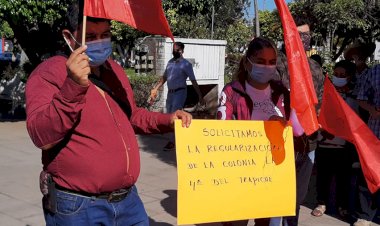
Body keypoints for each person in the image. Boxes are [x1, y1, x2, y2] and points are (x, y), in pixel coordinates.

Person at [25, 1, 192, 225]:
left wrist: (168, 120)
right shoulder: (48, 73)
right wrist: (73, 85)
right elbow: (41, 136)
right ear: (69, 37)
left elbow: (132, 116)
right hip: (78, 207)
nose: (100, 42)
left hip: (129, 202)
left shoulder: (115, 70)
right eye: (91, 37)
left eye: (105, 35)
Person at [216, 37, 306, 226]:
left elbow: (297, 133)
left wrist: (287, 124)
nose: (267, 67)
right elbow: (220, 132)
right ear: (247, 62)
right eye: (260, 61)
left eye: (271, 62)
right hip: (241, 174)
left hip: (271, 176)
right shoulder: (232, 92)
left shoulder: (282, 93)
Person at [271, 22, 324, 226]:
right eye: (300, 34)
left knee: (295, 197)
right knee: (278, 195)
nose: (305, 39)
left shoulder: (315, 68)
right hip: (279, 141)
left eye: (307, 35)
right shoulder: (275, 64)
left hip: (307, 143)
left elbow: (319, 104)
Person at [311, 60, 357, 219]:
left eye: (342, 75)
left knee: (343, 179)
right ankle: (321, 203)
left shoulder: (353, 96)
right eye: (336, 74)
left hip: (343, 146)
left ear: (350, 77)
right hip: (324, 144)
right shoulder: (325, 93)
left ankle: (342, 205)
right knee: (323, 177)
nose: (338, 78)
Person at [150, 42, 204, 151]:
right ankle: (177, 137)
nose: (175, 51)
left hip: (180, 93)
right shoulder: (170, 62)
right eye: (174, 49)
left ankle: (173, 141)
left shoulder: (186, 64)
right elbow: (164, 77)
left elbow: (193, 81)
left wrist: (200, 96)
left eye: (178, 49)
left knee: (175, 114)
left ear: (182, 51)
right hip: (170, 92)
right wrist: (156, 88)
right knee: (169, 114)